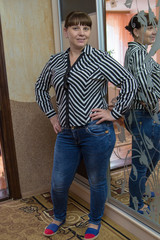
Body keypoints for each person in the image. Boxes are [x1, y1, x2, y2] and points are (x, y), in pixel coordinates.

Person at [35, 11, 137, 239]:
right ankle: (59, 216)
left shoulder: (99, 58)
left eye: (86, 28)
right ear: (66, 31)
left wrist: (114, 113)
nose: (81, 32)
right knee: (59, 183)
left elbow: (129, 81)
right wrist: (53, 116)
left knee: (97, 181)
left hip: (96, 133)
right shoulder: (55, 61)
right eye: (76, 28)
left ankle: (94, 220)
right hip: (66, 135)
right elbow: (40, 88)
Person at [124, 12, 160, 214]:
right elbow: (144, 88)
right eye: (149, 27)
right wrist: (156, 107)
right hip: (145, 115)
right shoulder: (137, 53)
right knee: (142, 162)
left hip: (149, 115)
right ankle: (136, 206)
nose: (154, 31)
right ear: (136, 31)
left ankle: (141, 189)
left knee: (153, 155)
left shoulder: (143, 52)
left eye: (155, 26)